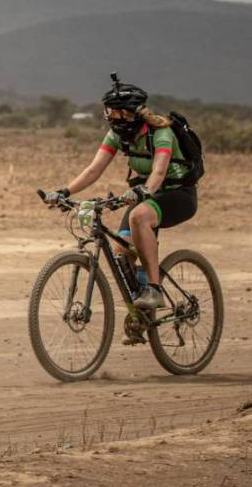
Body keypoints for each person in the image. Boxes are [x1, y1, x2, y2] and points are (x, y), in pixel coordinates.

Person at [44, 74, 198, 322]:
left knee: (139, 215)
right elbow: (94, 169)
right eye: (112, 113)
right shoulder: (116, 135)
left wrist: (143, 191)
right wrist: (65, 192)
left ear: (136, 113)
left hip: (177, 194)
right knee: (121, 254)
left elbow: (159, 171)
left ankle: (155, 290)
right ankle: (141, 316)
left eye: (123, 114)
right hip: (145, 196)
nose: (117, 119)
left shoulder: (160, 132)